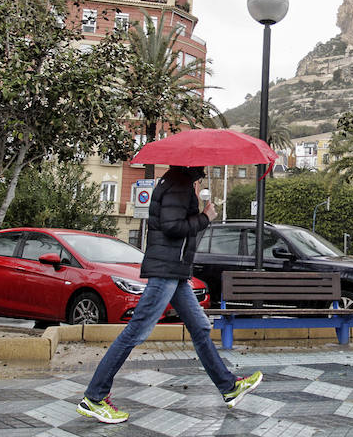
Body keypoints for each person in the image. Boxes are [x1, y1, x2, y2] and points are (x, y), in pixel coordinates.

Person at [77, 165, 262, 424]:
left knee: (199, 327)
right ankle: (94, 397)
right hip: (166, 270)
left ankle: (229, 386)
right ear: (192, 162)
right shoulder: (178, 183)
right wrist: (205, 217)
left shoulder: (178, 182)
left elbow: (175, 225)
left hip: (175, 272)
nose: (207, 166)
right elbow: (172, 226)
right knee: (136, 331)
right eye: (203, 162)